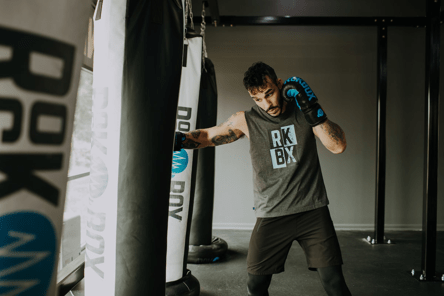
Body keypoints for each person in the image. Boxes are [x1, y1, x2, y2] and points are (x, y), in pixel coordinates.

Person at [174, 62, 351, 296]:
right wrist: (176, 139)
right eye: (258, 99)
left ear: (279, 84)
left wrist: (313, 109)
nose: (267, 104)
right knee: (256, 285)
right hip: (272, 214)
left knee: (334, 283)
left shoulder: (302, 112)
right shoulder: (245, 120)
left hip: (312, 211)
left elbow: (338, 146)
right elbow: (208, 136)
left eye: (270, 94)